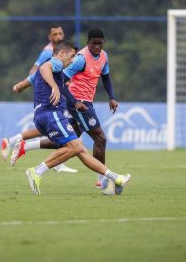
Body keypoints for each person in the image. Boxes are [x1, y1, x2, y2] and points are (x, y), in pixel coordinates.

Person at [8, 28, 118, 187]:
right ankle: (103, 181)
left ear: (104, 43)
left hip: (51, 112)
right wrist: (69, 98)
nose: (73, 60)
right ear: (87, 44)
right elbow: (47, 70)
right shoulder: (72, 61)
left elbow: (106, 77)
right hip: (77, 103)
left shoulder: (103, 57)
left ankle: (26, 146)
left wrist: (19, 86)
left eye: (99, 44)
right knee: (96, 139)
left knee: (69, 143)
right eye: (72, 56)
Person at [0, 25, 77, 173]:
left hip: (45, 110)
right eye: (55, 34)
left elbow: (36, 76)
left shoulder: (59, 62)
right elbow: (40, 70)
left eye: (61, 33)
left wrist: (20, 86)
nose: (59, 36)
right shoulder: (50, 55)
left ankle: (19, 145)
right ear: (50, 38)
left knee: (59, 139)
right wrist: (52, 86)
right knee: (76, 146)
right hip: (49, 108)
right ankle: (40, 168)